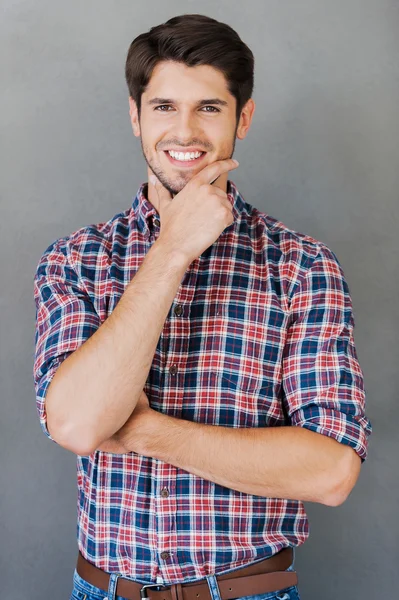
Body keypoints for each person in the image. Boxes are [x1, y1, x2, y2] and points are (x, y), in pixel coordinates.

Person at [33, 13, 372, 600]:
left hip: (248, 592)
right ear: (135, 117)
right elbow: (76, 424)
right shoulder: (75, 260)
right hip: (102, 591)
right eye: (164, 106)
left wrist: (141, 430)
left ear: (244, 117)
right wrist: (172, 249)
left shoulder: (302, 267)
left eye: (209, 108)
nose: (184, 131)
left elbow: (331, 471)